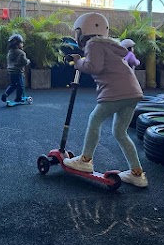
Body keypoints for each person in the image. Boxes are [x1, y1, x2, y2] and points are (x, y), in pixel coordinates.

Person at [63, 13, 148, 187]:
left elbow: (95, 66)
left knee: (95, 119)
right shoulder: (108, 45)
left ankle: (85, 160)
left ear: (82, 31)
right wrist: (82, 60)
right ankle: (137, 174)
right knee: (120, 132)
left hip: (115, 92)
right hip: (132, 92)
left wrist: (78, 62)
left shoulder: (93, 44)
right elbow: (100, 62)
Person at [1, 34, 30, 103]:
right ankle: (18, 98)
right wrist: (28, 61)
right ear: (18, 44)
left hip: (11, 72)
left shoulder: (10, 52)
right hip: (18, 72)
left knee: (13, 85)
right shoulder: (21, 53)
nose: (22, 44)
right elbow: (24, 62)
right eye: (21, 43)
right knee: (21, 86)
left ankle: (5, 94)